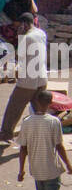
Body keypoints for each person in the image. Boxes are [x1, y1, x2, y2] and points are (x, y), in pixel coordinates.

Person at [16, 89, 71, 190]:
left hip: (36, 170)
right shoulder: (54, 122)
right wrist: (69, 165)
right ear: (51, 104)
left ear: (37, 102)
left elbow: (23, 148)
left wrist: (21, 171)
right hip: (52, 169)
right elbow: (59, 146)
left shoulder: (27, 122)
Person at [0, 12, 47, 146]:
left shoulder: (27, 38)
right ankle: (45, 133)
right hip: (42, 77)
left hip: (28, 80)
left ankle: (6, 133)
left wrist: (20, 36)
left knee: (15, 106)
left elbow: (19, 56)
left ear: (24, 25)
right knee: (39, 108)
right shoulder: (41, 33)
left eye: (19, 26)